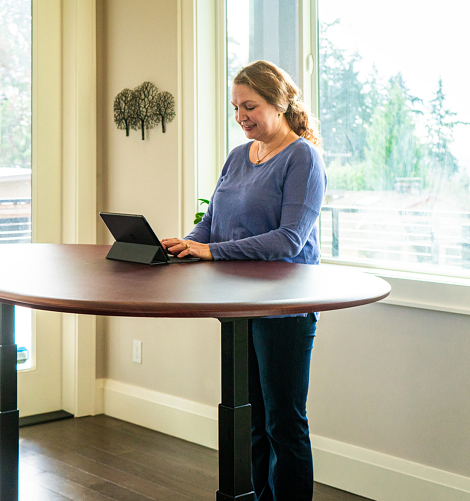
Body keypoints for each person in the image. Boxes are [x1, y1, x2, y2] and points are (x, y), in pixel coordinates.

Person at [161, 60, 326, 501]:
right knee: (248, 418)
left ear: (280, 102)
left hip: (283, 306)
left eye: (249, 106)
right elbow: (212, 223)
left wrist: (210, 251)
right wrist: (185, 245)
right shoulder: (239, 156)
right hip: (234, 302)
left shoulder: (302, 158)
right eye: (235, 108)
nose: (240, 117)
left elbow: (289, 240)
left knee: (283, 422)